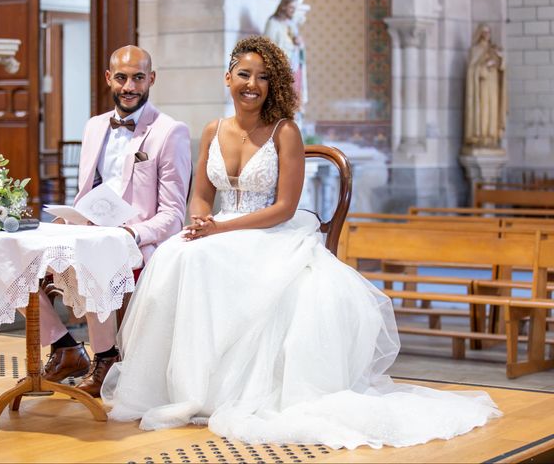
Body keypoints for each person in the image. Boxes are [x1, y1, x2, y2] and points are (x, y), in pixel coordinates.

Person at [101, 36, 500, 449]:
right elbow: (200, 192)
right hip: (219, 227)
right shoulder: (212, 129)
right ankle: (188, 387)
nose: (252, 84)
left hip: (269, 232)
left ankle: (228, 391)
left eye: (263, 77)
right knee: (176, 256)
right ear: (228, 78)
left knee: (202, 260)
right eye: (244, 74)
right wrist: (202, 217)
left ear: (274, 85)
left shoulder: (284, 131)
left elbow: (286, 208)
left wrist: (220, 230)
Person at [35, 45, 192, 397]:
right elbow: (86, 194)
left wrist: (130, 233)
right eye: (121, 77)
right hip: (90, 233)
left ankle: (106, 358)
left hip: (137, 243)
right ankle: (63, 348)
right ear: (109, 79)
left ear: (151, 79)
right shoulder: (93, 127)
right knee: (15, 262)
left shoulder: (170, 131)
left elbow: (172, 215)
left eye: (138, 77)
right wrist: (70, 220)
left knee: (98, 254)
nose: (129, 86)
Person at [464, 23, 507, 152]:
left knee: (493, 109)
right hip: (481, 86)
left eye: (489, 32)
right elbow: (472, 70)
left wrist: (500, 60)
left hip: (493, 85)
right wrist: (484, 67)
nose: (487, 35)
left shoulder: (494, 49)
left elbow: (502, 68)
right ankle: (480, 137)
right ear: (480, 33)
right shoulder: (475, 49)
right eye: (484, 32)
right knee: (483, 109)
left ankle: (491, 138)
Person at [264, 0, 307, 111]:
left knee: (295, 97)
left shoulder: (291, 24)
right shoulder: (273, 23)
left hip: (294, 65)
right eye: (291, 8)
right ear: (283, 6)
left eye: (295, 8)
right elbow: (267, 46)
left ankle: (295, 121)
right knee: (282, 99)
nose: (293, 11)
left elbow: (297, 43)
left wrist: (299, 43)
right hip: (281, 67)